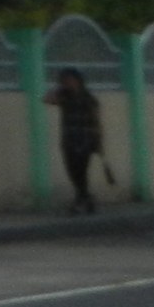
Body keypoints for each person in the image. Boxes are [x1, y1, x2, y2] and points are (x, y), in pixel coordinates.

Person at [47, 67, 107, 214]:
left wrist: (99, 141)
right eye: (64, 81)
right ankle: (87, 199)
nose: (67, 83)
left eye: (70, 80)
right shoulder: (64, 97)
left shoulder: (89, 99)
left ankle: (80, 201)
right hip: (69, 139)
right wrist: (59, 89)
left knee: (81, 172)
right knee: (72, 171)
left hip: (85, 140)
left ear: (78, 81)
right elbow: (47, 99)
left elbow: (96, 120)